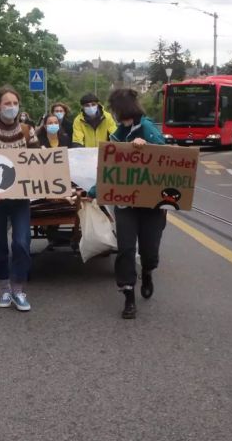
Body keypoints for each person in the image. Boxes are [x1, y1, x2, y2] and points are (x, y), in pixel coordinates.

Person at [86, 88, 168, 319]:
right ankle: (128, 294)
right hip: (125, 205)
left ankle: (148, 271)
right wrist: (92, 192)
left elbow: (167, 157)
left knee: (149, 250)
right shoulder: (117, 136)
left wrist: (148, 148)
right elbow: (109, 171)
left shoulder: (148, 128)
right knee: (126, 249)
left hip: (151, 205)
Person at [0, 86, 40, 312]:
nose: (11, 107)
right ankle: (4, 287)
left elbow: (38, 161)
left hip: (21, 198)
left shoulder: (28, 131)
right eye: (6, 103)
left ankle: (18, 289)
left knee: (22, 243)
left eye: (14, 103)